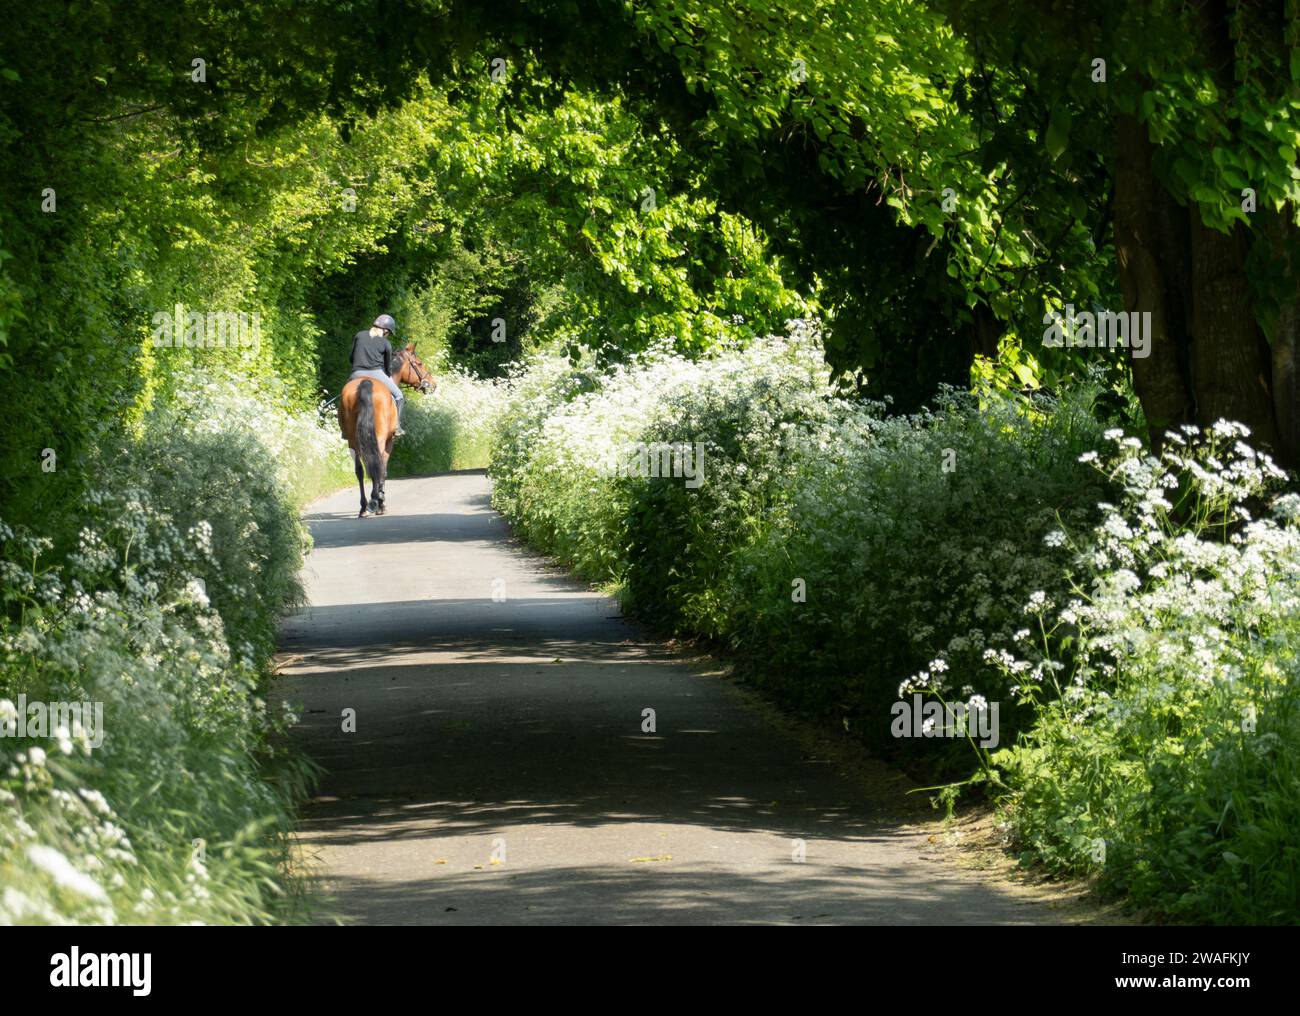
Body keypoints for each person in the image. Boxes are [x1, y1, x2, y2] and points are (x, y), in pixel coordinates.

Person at [348, 314, 406, 435]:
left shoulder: (359, 335)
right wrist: (388, 377)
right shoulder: (386, 344)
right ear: (385, 331)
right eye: (389, 333)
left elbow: (351, 358)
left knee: (346, 393)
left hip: (356, 373)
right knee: (399, 396)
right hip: (376, 373)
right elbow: (387, 368)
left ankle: (345, 428)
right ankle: (397, 427)